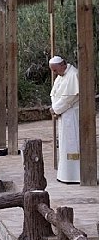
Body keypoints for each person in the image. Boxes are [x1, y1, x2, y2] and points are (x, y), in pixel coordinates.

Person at [49, 55, 80, 183]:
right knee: (63, 145)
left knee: (72, 145)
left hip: (71, 115)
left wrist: (55, 109)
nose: (55, 73)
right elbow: (54, 93)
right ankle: (65, 174)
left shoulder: (73, 75)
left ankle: (74, 175)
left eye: (55, 70)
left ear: (62, 65)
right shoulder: (61, 76)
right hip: (63, 114)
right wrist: (54, 108)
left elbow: (69, 98)